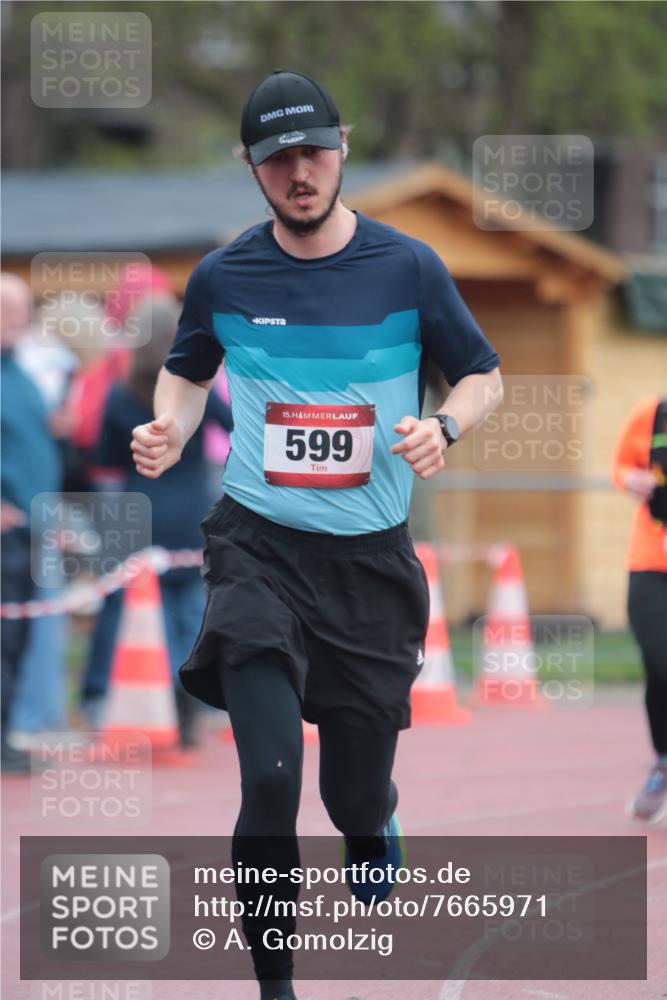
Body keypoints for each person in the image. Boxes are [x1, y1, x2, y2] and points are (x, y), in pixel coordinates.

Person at [131, 70, 503, 1000]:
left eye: (314, 152)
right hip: (258, 549)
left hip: (369, 564)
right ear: (251, 169)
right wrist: (169, 426)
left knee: (348, 797)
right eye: (278, 159)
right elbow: (184, 370)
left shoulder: (408, 267)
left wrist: (442, 426)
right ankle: (275, 988)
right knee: (267, 777)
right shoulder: (224, 275)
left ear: (340, 146)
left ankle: (374, 822)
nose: (299, 172)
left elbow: (482, 376)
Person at [81, 297, 233, 747]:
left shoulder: (120, 393)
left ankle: (154, 695)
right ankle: (189, 698)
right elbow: (230, 422)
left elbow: (105, 459)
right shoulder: (192, 389)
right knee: (191, 610)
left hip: (138, 512)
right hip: (190, 511)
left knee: (148, 616)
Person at [0, 273, 63, 772]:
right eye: (8, 311)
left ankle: (7, 733)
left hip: (29, 524)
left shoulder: (19, 370)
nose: (19, 320)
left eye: (22, 310)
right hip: (7, 529)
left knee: (18, 636)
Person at [612, 394, 667, 823]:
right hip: (653, 562)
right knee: (660, 662)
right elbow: (620, 466)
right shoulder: (653, 413)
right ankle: (663, 762)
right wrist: (631, 478)